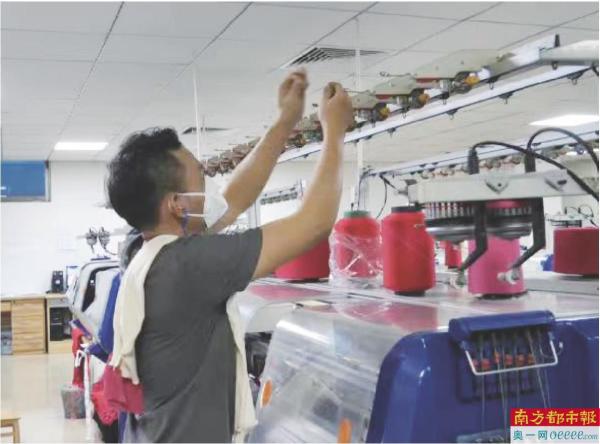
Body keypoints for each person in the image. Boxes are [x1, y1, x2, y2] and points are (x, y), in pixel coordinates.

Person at [106, 69, 354, 442]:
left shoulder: (143, 251)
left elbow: (233, 201)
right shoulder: (188, 265)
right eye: (200, 177)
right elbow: (314, 223)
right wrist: (334, 132)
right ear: (176, 205)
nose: (208, 185)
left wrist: (285, 121)